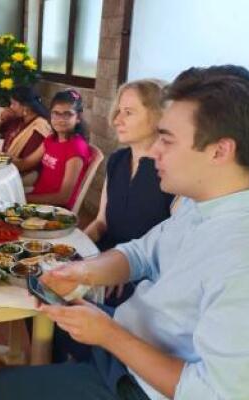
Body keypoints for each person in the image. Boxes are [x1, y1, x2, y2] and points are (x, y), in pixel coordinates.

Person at [0, 65, 249, 400]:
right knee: (30, 322)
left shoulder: (244, 257)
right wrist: (81, 271)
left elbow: (214, 393)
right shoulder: (199, 205)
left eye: (168, 140)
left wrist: (109, 335)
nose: (156, 151)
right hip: (127, 335)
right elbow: (140, 254)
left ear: (220, 151)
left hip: (140, 384)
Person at [83, 80, 174, 306]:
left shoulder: (173, 172)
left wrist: (121, 266)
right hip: (104, 257)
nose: (116, 121)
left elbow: (172, 246)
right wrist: (76, 247)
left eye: (128, 113)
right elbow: (101, 222)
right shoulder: (117, 160)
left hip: (143, 276)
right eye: (118, 112)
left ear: (158, 116)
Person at [26, 89, 91, 210]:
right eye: (55, 113)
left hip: (55, 211)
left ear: (78, 118)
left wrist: (23, 198)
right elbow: (26, 163)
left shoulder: (76, 148)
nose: (60, 119)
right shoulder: (51, 139)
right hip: (37, 199)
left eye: (67, 114)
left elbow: (63, 197)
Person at [0, 86, 52, 179]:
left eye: (14, 104)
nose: (11, 107)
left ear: (25, 107)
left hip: (22, 174)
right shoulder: (18, 118)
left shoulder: (39, 129)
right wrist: (1, 118)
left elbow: (25, 165)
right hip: (6, 164)